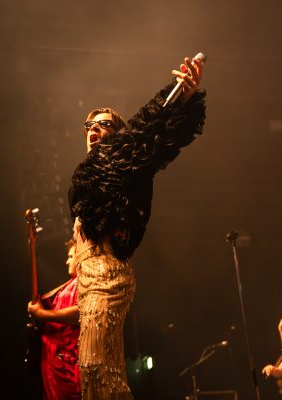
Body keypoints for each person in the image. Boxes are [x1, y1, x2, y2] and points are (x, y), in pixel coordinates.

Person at [68, 55, 206, 399]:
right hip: (92, 281)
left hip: (106, 276)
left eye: (102, 125)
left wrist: (180, 94)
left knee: (96, 368)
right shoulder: (98, 174)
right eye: (89, 127)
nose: (93, 130)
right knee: (102, 372)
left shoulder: (124, 159)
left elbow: (148, 129)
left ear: (119, 134)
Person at [27, 240, 81, 400]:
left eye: (71, 256)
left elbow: (81, 313)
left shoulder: (84, 283)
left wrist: (42, 314)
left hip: (66, 366)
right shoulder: (70, 284)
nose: (67, 261)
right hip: (54, 365)